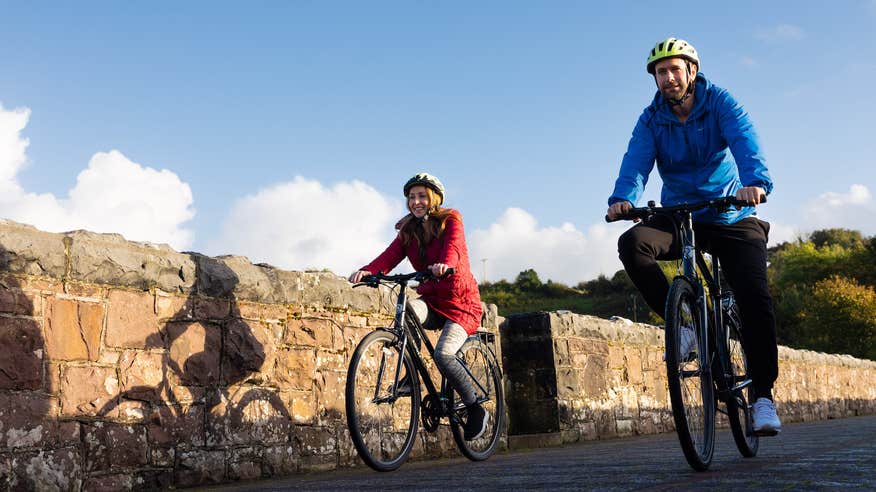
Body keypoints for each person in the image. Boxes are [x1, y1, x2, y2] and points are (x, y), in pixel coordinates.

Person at [606, 37, 781, 435]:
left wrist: (755, 182)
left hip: (730, 212)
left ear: (692, 72)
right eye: (660, 72)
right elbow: (636, 162)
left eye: (674, 70)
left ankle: (764, 397)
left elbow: (745, 141)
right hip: (680, 214)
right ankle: (686, 327)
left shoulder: (720, 102)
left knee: (755, 297)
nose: (668, 78)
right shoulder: (651, 119)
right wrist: (623, 199)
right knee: (633, 245)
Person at [348, 172, 488, 440]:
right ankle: (409, 376)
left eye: (422, 196)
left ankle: (475, 408)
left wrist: (444, 265)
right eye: (411, 197)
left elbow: (454, 249)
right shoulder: (409, 231)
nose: (416, 201)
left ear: (434, 199)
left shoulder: (451, 220)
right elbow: (389, 256)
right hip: (433, 299)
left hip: (461, 303)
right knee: (408, 309)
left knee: (444, 355)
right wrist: (368, 271)